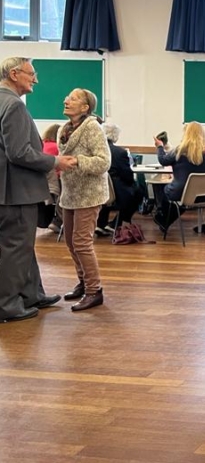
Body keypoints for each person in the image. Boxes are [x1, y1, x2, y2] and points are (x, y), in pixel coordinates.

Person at [0, 57, 75, 323]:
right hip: (15, 191)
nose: (36, 79)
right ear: (14, 74)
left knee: (21, 246)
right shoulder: (14, 107)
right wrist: (56, 161)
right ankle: (8, 306)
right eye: (32, 74)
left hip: (8, 191)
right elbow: (19, 153)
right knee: (15, 248)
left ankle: (32, 294)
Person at [59, 87, 111, 312]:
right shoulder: (65, 128)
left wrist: (77, 160)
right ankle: (83, 282)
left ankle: (94, 290)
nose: (66, 100)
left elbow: (103, 162)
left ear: (85, 107)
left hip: (89, 194)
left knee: (82, 243)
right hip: (70, 193)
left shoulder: (93, 128)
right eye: (67, 96)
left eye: (73, 98)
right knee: (71, 242)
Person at [152, 121, 205, 232]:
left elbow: (163, 161)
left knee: (163, 189)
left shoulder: (180, 150)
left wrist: (160, 147)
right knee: (177, 194)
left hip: (181, 193)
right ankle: (163, 219)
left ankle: (162, 218)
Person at [96, 122, 143, 234]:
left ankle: (100, 224)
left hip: (97, 189)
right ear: (115, 136)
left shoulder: (95, 150)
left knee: (106, 197)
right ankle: (117, 223)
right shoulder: (120, 152)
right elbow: (127, 175)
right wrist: (132, 184)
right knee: (139, 192)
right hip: (117, 191)